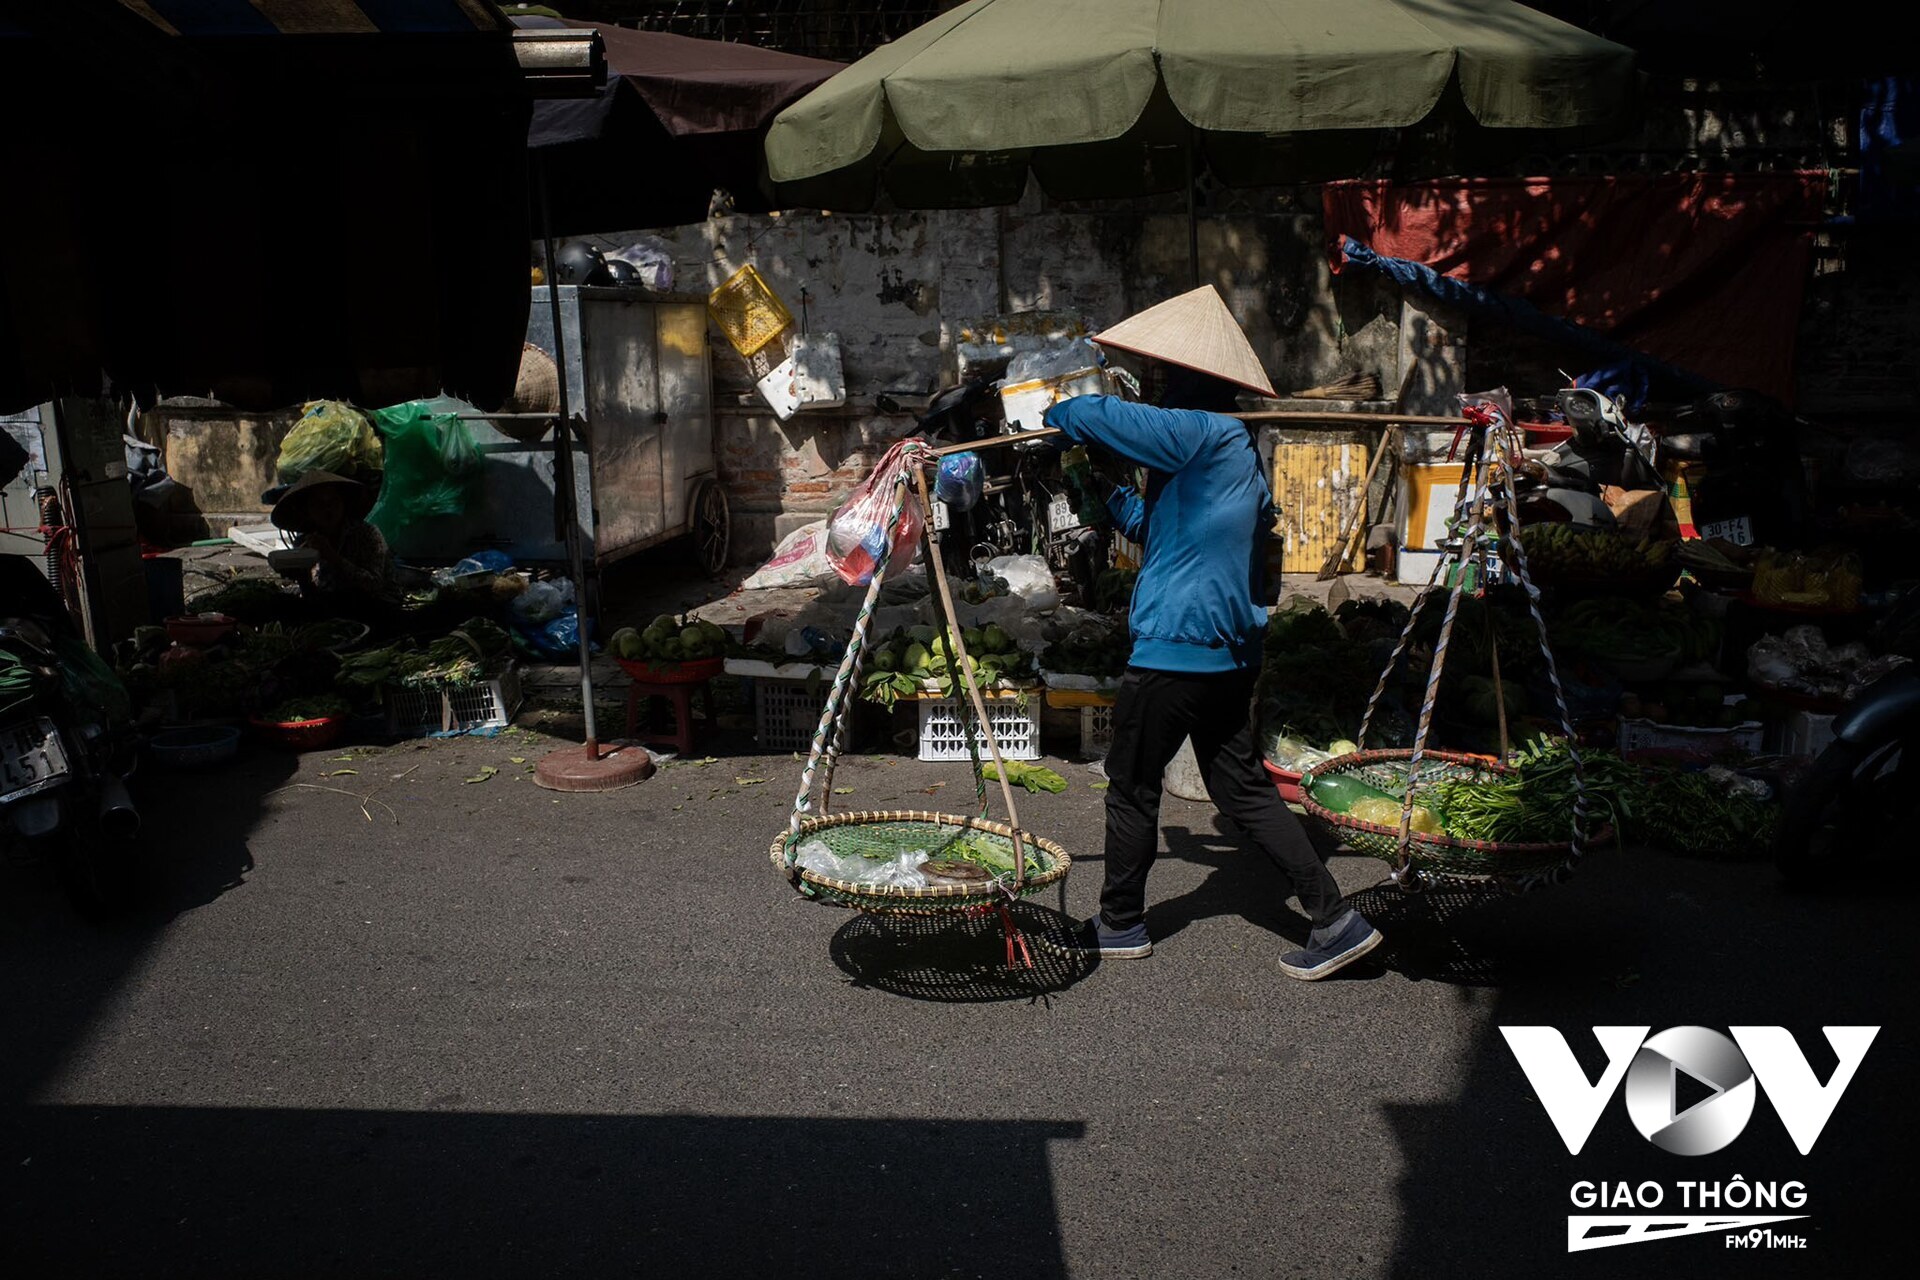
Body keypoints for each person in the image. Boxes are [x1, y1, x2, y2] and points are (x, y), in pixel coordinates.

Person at [1038, 286, 1382, 981]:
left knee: (1133, 786)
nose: (1155, 386)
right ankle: (1335, 919)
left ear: (1189, 381)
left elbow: (1100, 415)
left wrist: (1060, 413)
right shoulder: (1231, 460)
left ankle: (1120, 923)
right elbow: (1156, 529)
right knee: (1243, 790)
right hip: (1225, 655)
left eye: (1162, 376)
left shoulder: (1204, 431)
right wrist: (1097, 491)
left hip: (1177, 648)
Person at [269, 470, 401, 625]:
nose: (327, 509)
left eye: (333, 502)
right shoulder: (307, 542)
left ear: (343, 503)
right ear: (308, 511)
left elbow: (373, 586)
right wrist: (302, 576)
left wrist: (332, 557)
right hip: (337, 605)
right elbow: (314, 595)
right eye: (318, 504)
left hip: (378, 606)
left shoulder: (366, 534)